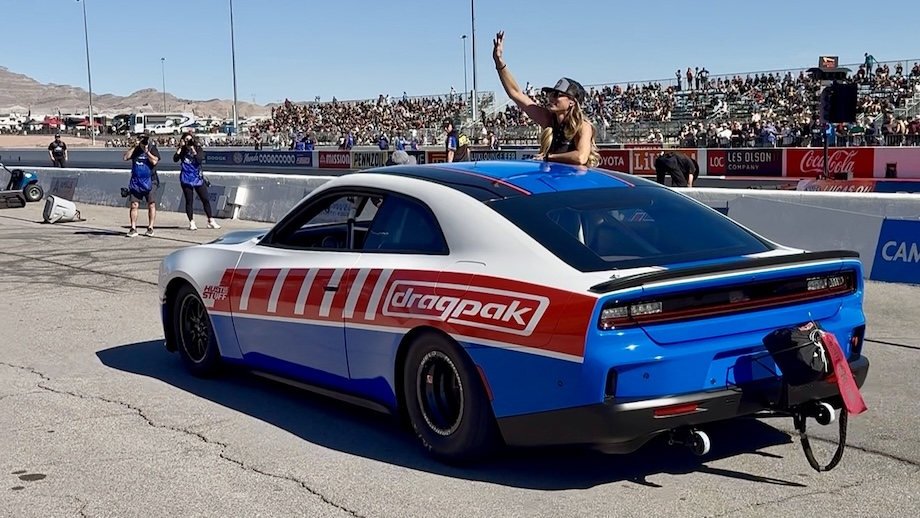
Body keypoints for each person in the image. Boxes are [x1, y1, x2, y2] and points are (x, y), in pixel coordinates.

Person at [492, 31, 599, 168]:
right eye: (551, 94)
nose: (551, 98)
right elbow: (516, 93)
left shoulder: (583, 126)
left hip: (574, 182)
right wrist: (499, 63)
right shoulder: (549, 119)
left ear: (572, 101)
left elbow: (581, 157)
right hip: (553, 180)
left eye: (557, 95)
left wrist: (548, 157)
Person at [173, 132, 220, 231]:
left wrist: (193, 150)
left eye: (189, 140)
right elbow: (175, 159)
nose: (188, 142)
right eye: (186, 140)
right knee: (189, 201)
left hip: (197, 177)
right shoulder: (183, 151)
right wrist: (180, 148)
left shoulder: (198, 149)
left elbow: (199, 161)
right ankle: (191, 222)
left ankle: (210, 220)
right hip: (186, 177)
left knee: (205, 199)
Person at [122, 133, 160, 237]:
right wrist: (134, 146)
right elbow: (125, 158)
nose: (142, 142)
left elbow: (154, 162)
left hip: (150, 180)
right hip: (136, 181)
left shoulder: (152, 148)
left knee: (151, 204)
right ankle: (133, 228)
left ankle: (150, 227)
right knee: (134, 204)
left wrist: (147, 152)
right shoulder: (136, 150)